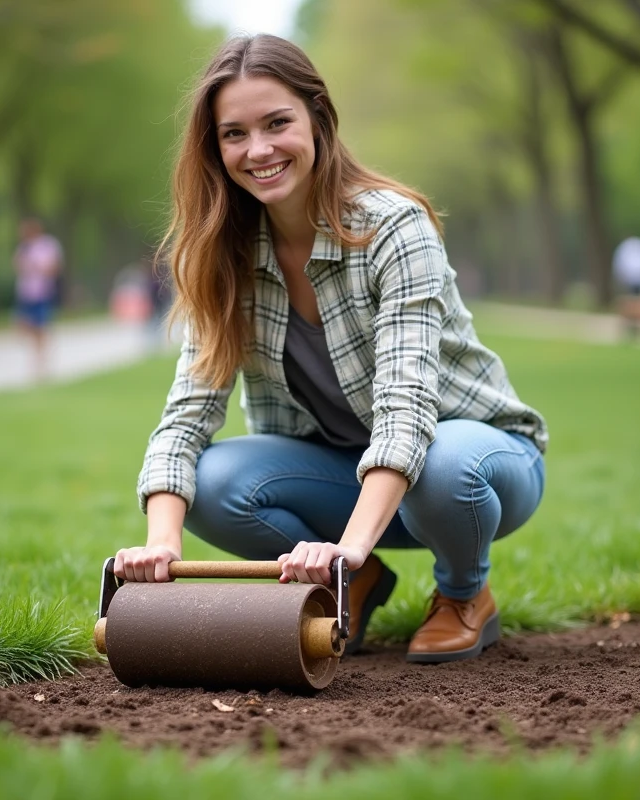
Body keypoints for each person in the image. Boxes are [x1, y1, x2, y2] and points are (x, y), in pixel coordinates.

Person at [112, 35, 548, 664]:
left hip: (475, 463)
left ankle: (462, 596)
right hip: (343, 470)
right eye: (234, 134)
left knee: (445, 464)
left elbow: (406, 413)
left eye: (277, 123)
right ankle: (353, 584)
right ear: (216, 148)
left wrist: (348, 542)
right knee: (208, 483)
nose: (258, 149)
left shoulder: (393, 227)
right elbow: (186, 416)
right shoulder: (224, 254)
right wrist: (163, 542)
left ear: (319, 117)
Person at [13, 218, 63, 379]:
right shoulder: (24, 247)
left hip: (41, 292)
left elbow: (54, 268)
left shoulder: (48, 245)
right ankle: (37, 357)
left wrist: (38, 268)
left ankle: (42, 362)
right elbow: (17, 265)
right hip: (26, 292)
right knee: (27, 327)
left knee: (41, 327)